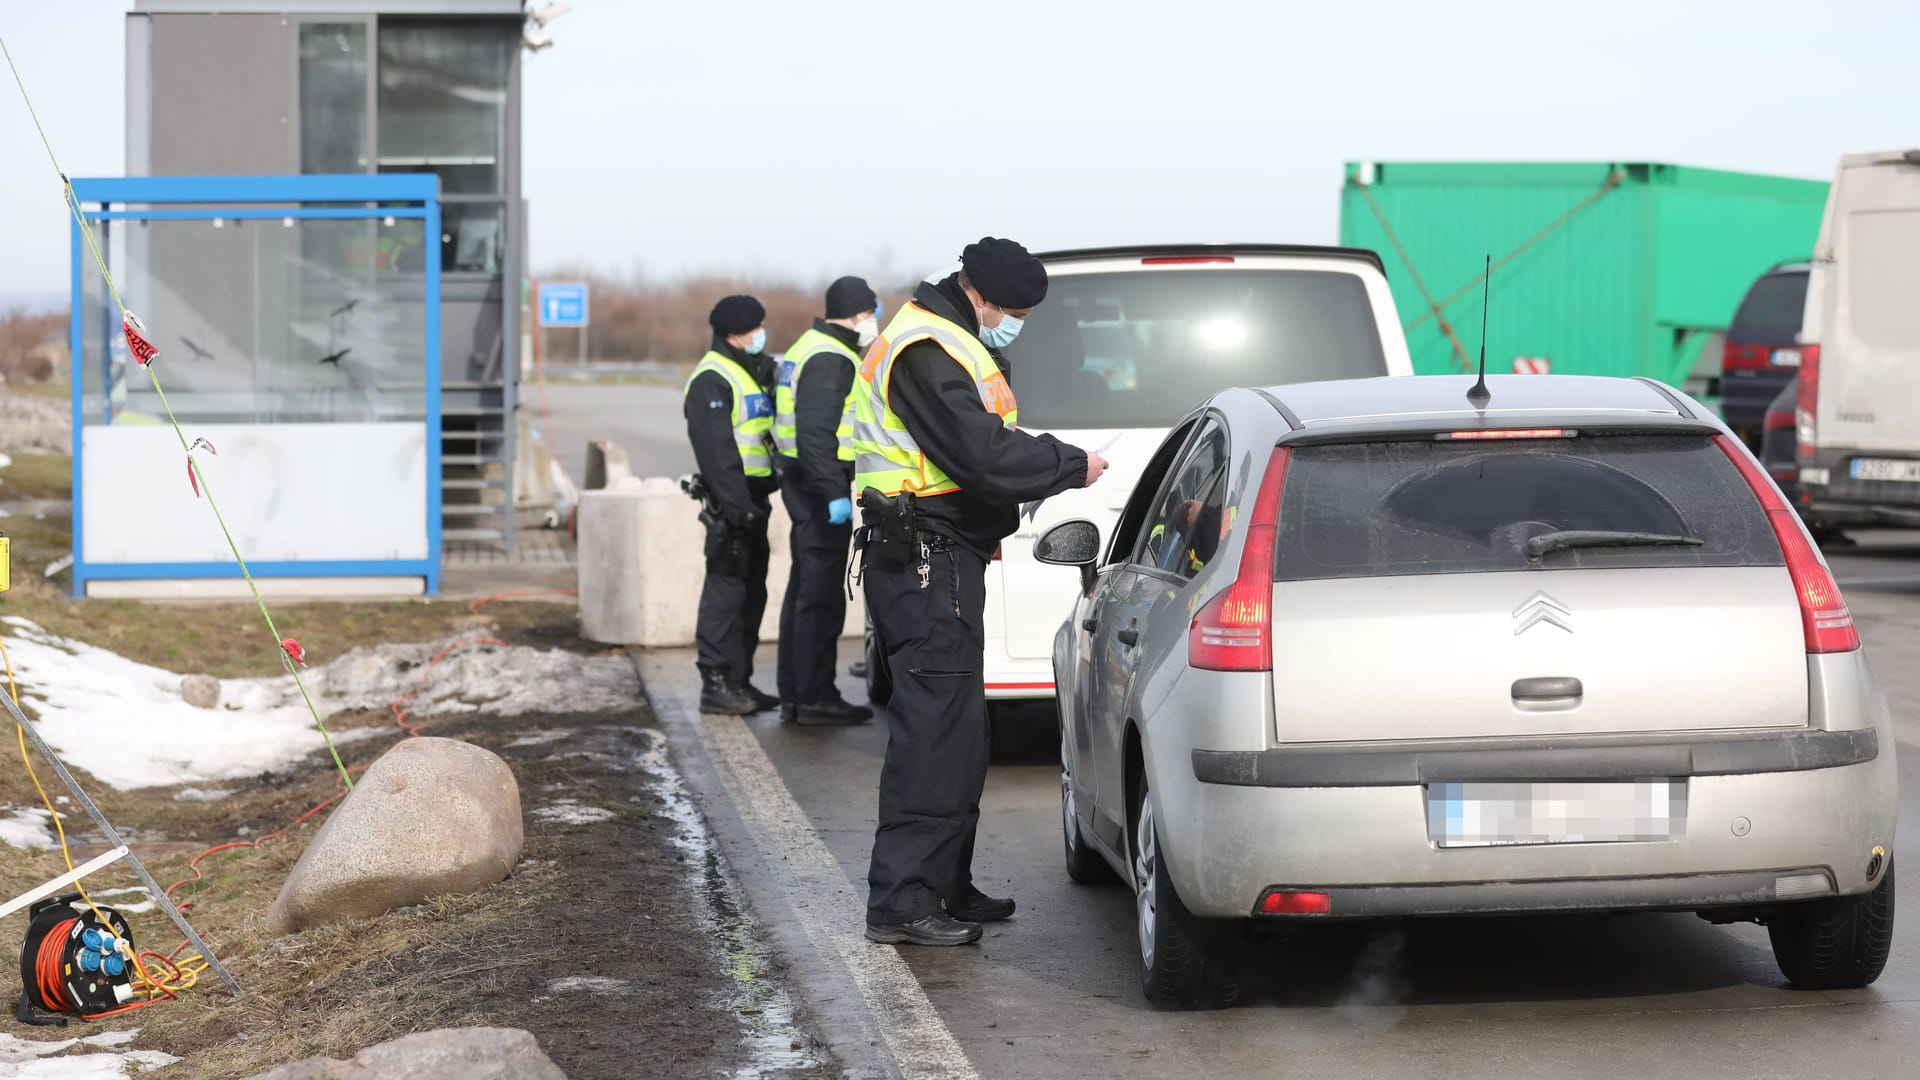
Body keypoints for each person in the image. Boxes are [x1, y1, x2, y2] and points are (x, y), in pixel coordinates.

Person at [852, 237, 1109, 947]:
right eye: (1016, 312)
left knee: (962, 734)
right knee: (932, 735)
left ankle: (945, 885)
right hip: (922, 564)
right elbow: (982, 454)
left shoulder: (950, 338)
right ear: (982, 297)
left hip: (944, 559)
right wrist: (1069, 463)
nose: (1016, 324)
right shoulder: (926, 350)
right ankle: (902, 903)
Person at [774, 276, 881, 726]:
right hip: (820, 488)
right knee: (818, 598)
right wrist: (835, 494)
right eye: (872, 313)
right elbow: (815, 435)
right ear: (859, 314)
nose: (875, 321)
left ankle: (798, 694)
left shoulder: (809, 346)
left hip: (805, 483)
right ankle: (814, 695)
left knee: (804, 593)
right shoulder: (830, 357)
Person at [684, 294, 781, 716]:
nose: (762, 333)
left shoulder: (747, 370)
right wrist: (737, 506)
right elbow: (718, 452)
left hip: (754, 500)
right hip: (732, 503)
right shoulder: (712, 377)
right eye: (756, 326)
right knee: (725, 594)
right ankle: (716, 683)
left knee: (750, 594)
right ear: (737, 332)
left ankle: (739, 680)